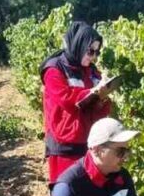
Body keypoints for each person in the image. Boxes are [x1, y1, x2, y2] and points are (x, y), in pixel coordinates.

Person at [41, 20, 114, 183]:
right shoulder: (54, 70)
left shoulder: (91, 71)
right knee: (64, 192)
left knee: (83, 194)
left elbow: (97, 107)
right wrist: (92, 92)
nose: (94, 57)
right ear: (78, 45)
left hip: (87, 142)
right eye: (90, 51)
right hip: (64, 146)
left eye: (97, 52)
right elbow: (66, 98)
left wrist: (102, 98)